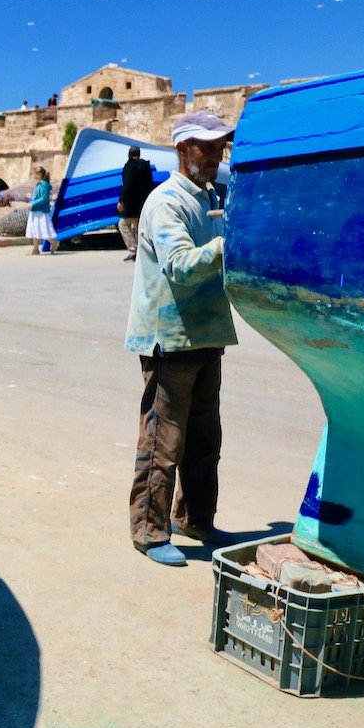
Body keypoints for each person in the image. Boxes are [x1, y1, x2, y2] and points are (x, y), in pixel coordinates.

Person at [124, 111, 238, 566]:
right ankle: (149, 531)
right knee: (162, 440)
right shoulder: (166, 201)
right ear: (182, 149)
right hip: (169, 339)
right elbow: (181, 266)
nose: (214, 156)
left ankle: (195, 518)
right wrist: (228, 244)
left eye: (218, 148)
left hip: (207, 335)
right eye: (205, 148)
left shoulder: (212, 196)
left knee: (205, 438)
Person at [116, 145, 155, 261]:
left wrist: (122, 201)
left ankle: (133, 249)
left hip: (132, 204)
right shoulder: (146, 166)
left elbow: (127, 185)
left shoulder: (129, 167)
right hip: (143, 203)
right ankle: (143, 250)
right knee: (138, 227)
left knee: (123, 225)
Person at [25, 167, 59, 255]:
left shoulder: (43, 185)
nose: (34, 176)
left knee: (43, 230)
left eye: (35, 174)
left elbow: (44, 198)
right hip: (36, 211)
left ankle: (53, 242)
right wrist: (31, 197)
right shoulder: (40, 184)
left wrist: (33, 203)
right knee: (34, 230)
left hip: (40, 212)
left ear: (40, 175)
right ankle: (35, 249)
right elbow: (38, 196)